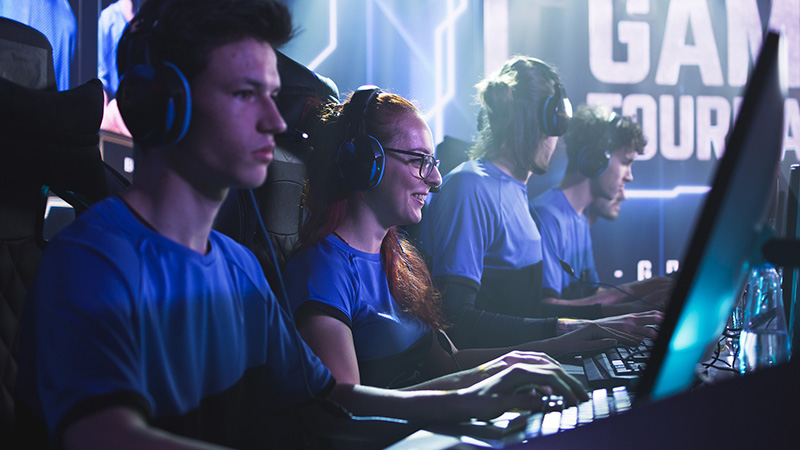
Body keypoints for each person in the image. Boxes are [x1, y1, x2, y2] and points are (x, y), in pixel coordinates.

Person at [14, 2, 590, 449]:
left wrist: (473, 395)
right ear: (167, 105)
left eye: (272, 96)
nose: (272, 120)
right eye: (246, 95)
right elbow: (107, 439)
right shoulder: (93, 261)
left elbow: (326, 403)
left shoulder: (238, 267)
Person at [284, 87, 648, 390]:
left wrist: (557, 346)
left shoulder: (401, 261)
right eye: (418, 160)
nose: (436, 180)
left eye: (434, 161)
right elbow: (346, 409)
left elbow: (447, 362)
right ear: (366, 162)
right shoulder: (321, 270)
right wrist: (476, 392)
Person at [417, 56, 664, 351]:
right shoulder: (471, 187)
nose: (556, 138)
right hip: (494, 382)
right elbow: (456, 321)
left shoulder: (515, 192)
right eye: (557, 122)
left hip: (527, 368)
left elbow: (527, 314)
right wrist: (577, 328)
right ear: (546, 119)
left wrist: (613, 321)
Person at [530, 104, 673, 318]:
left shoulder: (579, 218)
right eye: (626, 162)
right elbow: (547, 308)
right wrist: (633, 293)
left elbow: (590, 296)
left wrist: (644, 299)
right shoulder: (548, 217)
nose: (629, 176)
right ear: (596, 158)